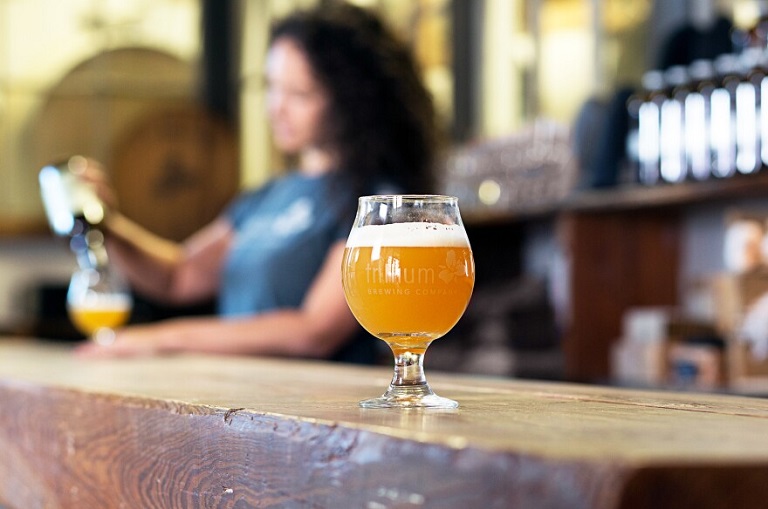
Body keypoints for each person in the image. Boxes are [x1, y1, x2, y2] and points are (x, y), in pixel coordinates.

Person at [74, 2, 440, 361]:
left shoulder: (378, 204)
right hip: (243, 402)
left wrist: (165, 339)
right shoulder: (267, 196)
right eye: (271, 87)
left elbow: (315, 332)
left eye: (299, 94)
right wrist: (107, 224)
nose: (275, 107)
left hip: (320, 407)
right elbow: (179, 277)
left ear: (353, 99)